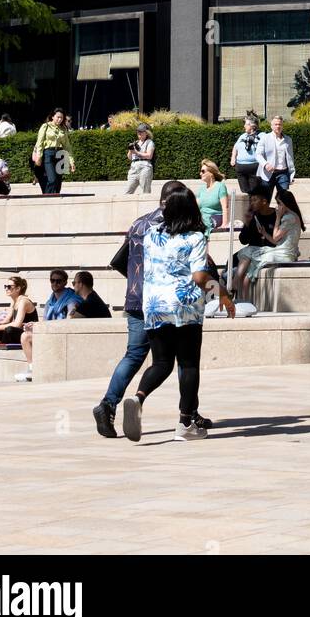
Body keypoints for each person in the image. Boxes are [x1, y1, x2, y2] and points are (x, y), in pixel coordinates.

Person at [94, 181, 227, 439]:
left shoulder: (148, 232)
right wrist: (221, 294)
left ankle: (131, 399)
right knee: (188, 365)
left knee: (155, 361)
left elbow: (124, 260)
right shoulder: (195, 235)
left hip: (149, 304)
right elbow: (201, 275)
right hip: (183, 307)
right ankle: (186, 422)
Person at [233, 190, 305, 302]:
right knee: (249, 255)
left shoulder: (289, 217)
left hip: (284, 254)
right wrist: (264, 233)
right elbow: (277, 242)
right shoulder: (291, 216)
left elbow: (276, 237)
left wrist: (277, 218)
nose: (278, 207)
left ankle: (237, 289)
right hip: (280, 249)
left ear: (286, 203)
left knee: (249, 254)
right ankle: (242, 298)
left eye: (279, 203)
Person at [20, 268, 80, 369]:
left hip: (64, 335)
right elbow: (45, 323)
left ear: (65, 282)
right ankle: (32, 368)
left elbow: (69, 321)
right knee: (25, 336)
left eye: (58, 281)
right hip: (51, 333)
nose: (55, 283)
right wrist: (34, 326)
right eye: (52, 280)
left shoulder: (71, 299)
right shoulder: (49, 302)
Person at [33, 108, 73, 195]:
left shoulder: (64, 129)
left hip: (61, 154)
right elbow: (39, 142)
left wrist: (71, 161)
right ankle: (47, 199)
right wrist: (39, 157)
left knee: (58, 182)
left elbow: (67, 146)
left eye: (62, 118)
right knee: (52, 179)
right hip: (48, 153)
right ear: (52, 117)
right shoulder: (45, 126)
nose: (60, 119)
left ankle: (56, 200)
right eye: (58, 117)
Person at [0, 276, 37, 346]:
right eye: (5, 286)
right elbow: (7, 320)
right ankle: (0, 339)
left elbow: (17, 324)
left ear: (18, 288)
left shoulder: (23, 301)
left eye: (9, 286)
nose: (6, 289)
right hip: (18, 330)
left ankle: (1, 340)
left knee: (9, 330)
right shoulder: (14, 301)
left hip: (28, 333)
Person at [256, 115, 296, 197]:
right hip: (268, 174)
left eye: (280, 124)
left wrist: (291, 173)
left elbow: (290, 157)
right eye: (276, 124)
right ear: (271, 126)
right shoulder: (265, 138)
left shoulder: (288, 140)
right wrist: (265, 164)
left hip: (283, 174)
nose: (278, 126)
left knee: (284, 200)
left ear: (282, 126)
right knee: (265, 200)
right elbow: (258, 154)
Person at [196, 160, 230, 233]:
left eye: (203, 171)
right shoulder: (201, 189)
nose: (200, 173)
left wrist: (224, 224)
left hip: (213, 220)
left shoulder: (220, 186)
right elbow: (195, 207)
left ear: (211, 173)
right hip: (202, 219)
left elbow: (225, 207)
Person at [230, 116, 261, 193]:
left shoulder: (261, 136)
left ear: (252, 126)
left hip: (254, 167)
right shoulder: (242, 136)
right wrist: (233, 158)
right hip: (240, 168)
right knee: (244, 191)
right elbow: (235, 147)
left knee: (254, 192)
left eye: (246, 124)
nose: (244, 126)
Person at [124, 124, 155, 194]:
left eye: (141, 131)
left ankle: (147, 205)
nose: (139, 133)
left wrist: (136, 152)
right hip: (134, 168)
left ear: (146, 133)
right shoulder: (135, 143)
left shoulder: (149, 142)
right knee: (127, 192)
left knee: (146, 191)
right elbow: (130, 157)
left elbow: (149, 156)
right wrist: (130, 150)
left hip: (145, 167)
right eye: (138, 131)